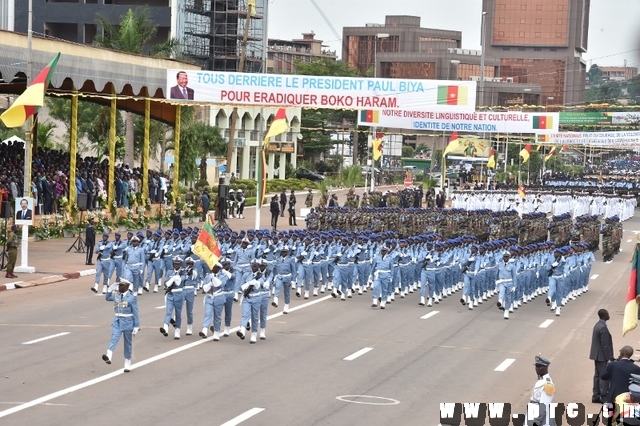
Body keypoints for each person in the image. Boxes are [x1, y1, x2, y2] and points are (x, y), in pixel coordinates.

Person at [102, 278, 140, 373]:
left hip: (128, 322)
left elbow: (135, 312)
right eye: (119, 286)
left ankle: (127, 363)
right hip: (117, 321)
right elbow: (107, 298)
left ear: (126, 287)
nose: (119, 287)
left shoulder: (131, 298)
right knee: (114, 338)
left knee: (127, 343)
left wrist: (136, 326)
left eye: (121, 286)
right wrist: (110, 289)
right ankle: (109, 356)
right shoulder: (117, 295)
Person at [591, 308, 614, 403]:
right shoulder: (603, 327)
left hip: (596, 355)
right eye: (607, 314)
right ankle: (603, 397)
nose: (609, 315)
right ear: (604, 316)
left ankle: (596, 395)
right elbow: (605, 345)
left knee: (597, 375)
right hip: (602, 356)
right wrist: (609, 358)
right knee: (603, 377)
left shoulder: (597, 325)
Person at [526, 355, 555, 426]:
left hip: (538, 416)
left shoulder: (547, 384)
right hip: (532, 413)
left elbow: (544, 405)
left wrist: (536, 422)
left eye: (539, 366)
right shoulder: (541, 380)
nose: (537, 369)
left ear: (546, 367)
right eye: (536, 366)